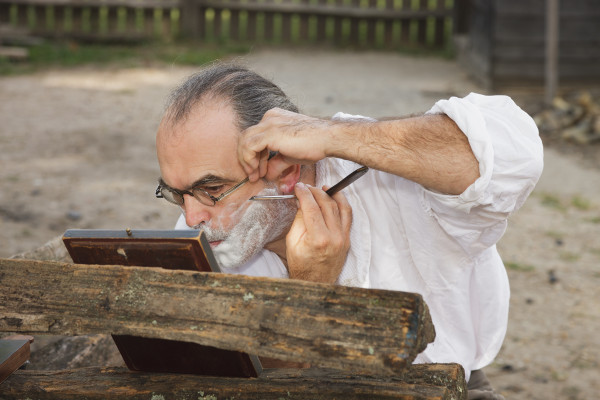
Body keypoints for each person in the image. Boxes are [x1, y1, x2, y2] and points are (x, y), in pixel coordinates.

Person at [155, 62, 543, 399]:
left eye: (212, 189)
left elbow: (515, 155)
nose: (191, 218)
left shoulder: (396, 179)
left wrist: (333, 135)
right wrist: (309, 290)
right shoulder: (202, 234)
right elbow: (231, 375)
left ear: (285, 171)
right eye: (177, 193)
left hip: (447, 385)